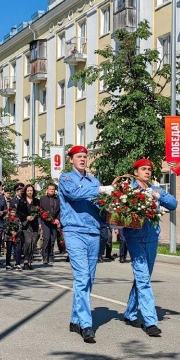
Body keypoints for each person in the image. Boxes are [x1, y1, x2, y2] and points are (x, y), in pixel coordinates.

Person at [58, 146, 115, 344]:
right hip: (74, 231)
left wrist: (113, 213)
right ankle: (86, 325)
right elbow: (75, 194)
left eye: (84, 156)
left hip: (93, 232)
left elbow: (99, 206)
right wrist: (100, 190)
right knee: (82, 277)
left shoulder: (94, 180)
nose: (82, 159)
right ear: (71, 159)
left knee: (88, 278)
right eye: (78, 156)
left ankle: (75, 320)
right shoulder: (66, 178)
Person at [119, 159, 177, 338]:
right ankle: (151, 321)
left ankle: (130, 313)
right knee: (143, 278)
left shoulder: (156, 190)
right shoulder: (128, 190)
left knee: (143, 277)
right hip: (134, 237)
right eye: (143, 169)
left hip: (152, 237)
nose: (147, 172)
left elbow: (173, 204)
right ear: (135, 172)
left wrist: (158, 196)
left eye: (149, 169)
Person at [17, 184, 40, 270]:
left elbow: (40, 212)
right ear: (25, 192)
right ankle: (25, 261)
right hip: (26, 225)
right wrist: (26, 217)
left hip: (34, 224)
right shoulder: (22, 201)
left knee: (33, 242)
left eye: (31, 190)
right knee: (28, 241)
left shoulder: (37, 201)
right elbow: (19, 213)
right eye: (28, 191)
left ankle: (30, 261)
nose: (30, 192)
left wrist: (35, 217)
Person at [38, 183, 61, 265]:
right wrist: (40, 222)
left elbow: (59, 211)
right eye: (50, 189)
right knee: (46, 239)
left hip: (54, 222)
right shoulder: (43, 199)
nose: (52, 191)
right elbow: (40, 211)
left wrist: (58, 219)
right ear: (47, 190)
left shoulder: (58, 199)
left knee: (52, 240)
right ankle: (45, 256)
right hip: (45, 222)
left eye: (53, 189)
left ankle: (51, 256)